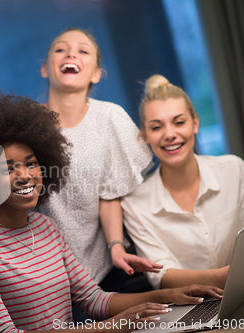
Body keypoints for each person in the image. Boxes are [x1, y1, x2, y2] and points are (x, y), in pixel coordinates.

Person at [0, 93, 222, 333]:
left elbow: (93, 300)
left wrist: (168, 295)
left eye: (31, 163)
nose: (25, 176)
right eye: (7, 168)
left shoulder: (44, 227)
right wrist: (114, 326)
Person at [37, 27, 161, 291]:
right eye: (60, 49)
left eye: (83, 51)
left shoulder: (110, 118)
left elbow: (109, 193)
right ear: (45, 68)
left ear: (96, 74)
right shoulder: (24, 124)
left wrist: (116, 246)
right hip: (42, 274)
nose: (71, 53)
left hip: (104, 271)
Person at [121, 74, 244, 290]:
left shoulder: (234, 170)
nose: (169, 134)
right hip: (189, 310)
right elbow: (161, 275)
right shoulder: (135, 204)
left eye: (179, 122)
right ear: (145, 136)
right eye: (157, 127)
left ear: (195, 123)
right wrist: (222, 277)